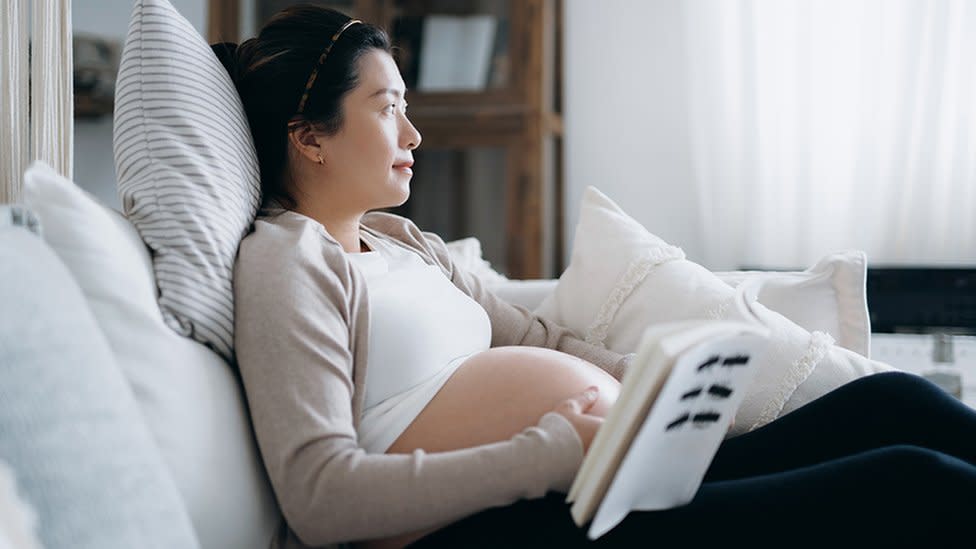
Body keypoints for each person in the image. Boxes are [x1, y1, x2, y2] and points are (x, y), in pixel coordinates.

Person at [215, 6, 976, 549]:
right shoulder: (288, 262)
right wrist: (551, 451)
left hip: (605, 473)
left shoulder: (403, 241)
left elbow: (538, 337)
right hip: (498, 525)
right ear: (309, 136)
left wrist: (658, 389)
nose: (414, 134)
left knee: (893, 401)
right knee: (910, 484)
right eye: (386, 110)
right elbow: (320, 493)